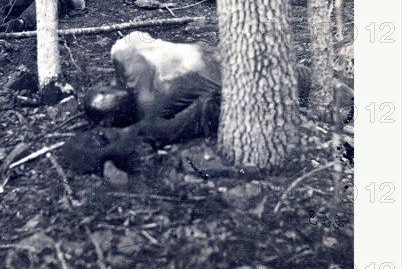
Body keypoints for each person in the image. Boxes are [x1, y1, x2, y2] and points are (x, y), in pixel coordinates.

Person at [62, 31, 354, 174]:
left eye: (106, 87)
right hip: (251, 72)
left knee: (324, 83)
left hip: (245, 64)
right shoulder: (128, 62)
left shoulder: (145, 98)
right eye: (110, 93)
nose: (112, 86)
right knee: (329, 88)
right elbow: (135, 40)